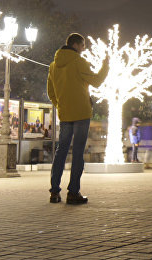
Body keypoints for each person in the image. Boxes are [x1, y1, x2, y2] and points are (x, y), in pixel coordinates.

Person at [46, 33, 109, 205]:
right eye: (83, 46)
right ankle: (73, 192)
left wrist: (60, 105)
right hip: (81, 113)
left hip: (65, 113)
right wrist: (106, 66)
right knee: (78, 153)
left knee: (61, 151)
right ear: (76, 45)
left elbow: (51, 92)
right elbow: (96, 81)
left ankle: (54, 192)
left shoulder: (53, 65)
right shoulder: (78, 61)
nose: (84, 49)